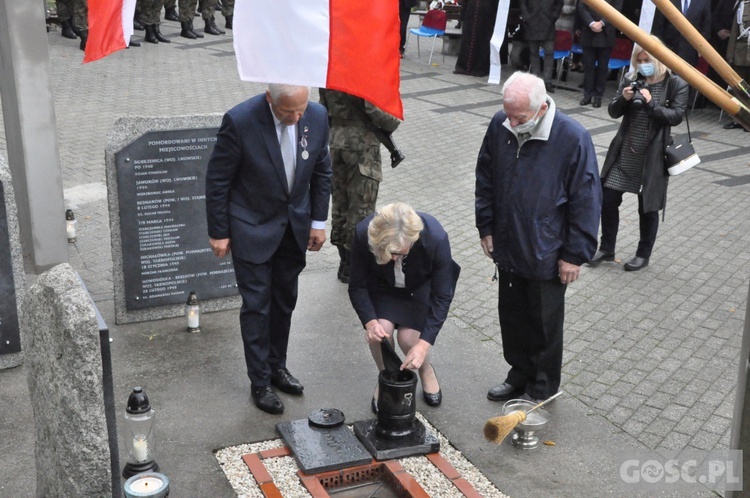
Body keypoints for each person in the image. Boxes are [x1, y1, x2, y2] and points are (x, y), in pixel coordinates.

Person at [205, 84, 332, 415]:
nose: (296, 118)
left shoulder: (316, 116)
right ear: (269, 100)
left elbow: (321, 168)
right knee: (257, 306)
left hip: (294, 227)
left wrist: (318, 221)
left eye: (300, 110)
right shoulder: (240, 121)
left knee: (284, 301)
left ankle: (278, 366)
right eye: (288, 112)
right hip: (251, 226)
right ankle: (259, 381)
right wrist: (218, 231)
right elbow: (218, 180)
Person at [475, 71, 601, 403]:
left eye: (519, 117)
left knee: (543, 324)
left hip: (547, 249)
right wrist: (485, 226)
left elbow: (586, 200)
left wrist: (574, 254)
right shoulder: (500, 124)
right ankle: (518, 375)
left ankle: (542, 387)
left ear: (541, 108)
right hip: (508, 242)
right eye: (507, 114)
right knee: (512, 317)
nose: (511, 122)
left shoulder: (573, 138)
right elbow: (485, 176)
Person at [588, 38, 688, 271]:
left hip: (652, 155)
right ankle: (607, 248)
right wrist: (623, 98)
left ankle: (643, 254)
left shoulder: (675, 84)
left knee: (648, 207)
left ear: (659, 59)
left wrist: (652, 103)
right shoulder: (632, 79)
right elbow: (613, 111)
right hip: (625, 151)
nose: (643, 65)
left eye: (647, 60)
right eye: (639, 60)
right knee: (608, 198)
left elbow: (676, 116)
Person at [348, 203, 459, 412]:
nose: (393, 258)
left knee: (409, 340)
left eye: (398, 252)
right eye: (388, 252)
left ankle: (426, 371)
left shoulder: (435, 237)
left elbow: (442, 296)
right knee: (381, 334)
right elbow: (357, 286)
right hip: (383, 287)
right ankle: (386, 376)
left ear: (412, 239)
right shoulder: (363, 232)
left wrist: (423, 345)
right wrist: (370, 322)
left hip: (419, 287)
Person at [318, 89, 401, 284]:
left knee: (340, 205)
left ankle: (344, 262)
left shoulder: (332, 71)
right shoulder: (362, 70)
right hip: (361, 147)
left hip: (335, 143)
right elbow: (375, 111)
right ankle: (354, 268)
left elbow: (323, 107)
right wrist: (394, 119)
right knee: (361, 208)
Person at [577, 0, 623, 108]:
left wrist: (601, 23)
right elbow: (581, 7)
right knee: (588, 66)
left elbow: (615, 10)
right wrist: (591, 23)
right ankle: (587, 95)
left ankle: (598, 97)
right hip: (588, 33)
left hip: (606, 34)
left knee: (602, 68)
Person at [520, 0, 564, 92]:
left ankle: (548, 81)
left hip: (548, 22)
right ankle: (535, 80)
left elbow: (559, 2)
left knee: (549, 52)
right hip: (532, 22)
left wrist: (554, 16)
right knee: (533, 53)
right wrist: (527, 17)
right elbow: (523, 2)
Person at [652, 0, 711, 67]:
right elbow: (658, 26)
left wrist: (700, 48)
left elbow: (706, 27)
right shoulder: (667, 1)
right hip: (668, 50)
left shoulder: (703, 2)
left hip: (690, 53)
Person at [454, 0, 500, 77]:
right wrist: (462, 17)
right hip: (470, 16)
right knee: (467, 42)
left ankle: (478, 69)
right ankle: (463, 67)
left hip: (486, 19)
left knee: (482, 43)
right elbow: (465, 3)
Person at [724, 0, 750, 131]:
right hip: (741, 55)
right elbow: (734, 32)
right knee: (739, 90)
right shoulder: (743, 6)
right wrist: (730, 55)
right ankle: (739, 119)